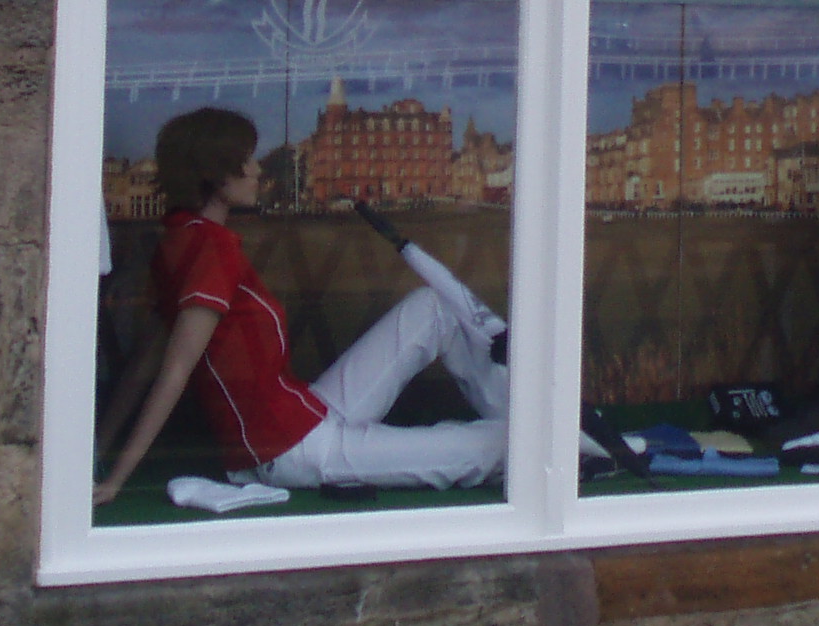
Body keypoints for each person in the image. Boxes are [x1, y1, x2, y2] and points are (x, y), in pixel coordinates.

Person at [94, 107, 508, 501]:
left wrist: (100, 448)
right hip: (292, 450)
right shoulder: (209, 250)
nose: (258, 170)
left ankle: (510, 402)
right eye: (247, 161)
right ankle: (523, 429)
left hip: (304, 415)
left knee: (435, 306)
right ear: (216, 176)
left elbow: (142, 365)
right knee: (508, 444)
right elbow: (173, 370)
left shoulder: (180, 239)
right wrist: (116, 481)